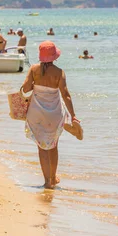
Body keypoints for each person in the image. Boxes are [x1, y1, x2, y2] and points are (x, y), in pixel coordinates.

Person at [21, 41, 81, 189]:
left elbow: (26, 89)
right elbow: (66, 95)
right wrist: (73, 116)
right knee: (53, 146)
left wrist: (35, 82)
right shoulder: (59, 72)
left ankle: (47, 181)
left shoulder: (34, 69)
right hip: (54, 114)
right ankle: (53, 180)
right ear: (54, 56)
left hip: (36, 113)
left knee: (41, 147)